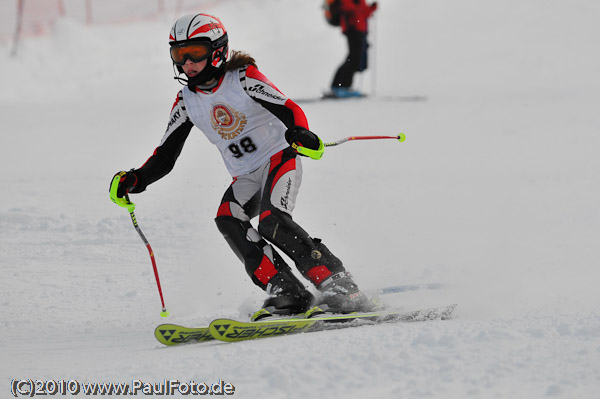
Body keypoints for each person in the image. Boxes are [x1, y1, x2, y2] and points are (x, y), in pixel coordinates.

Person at [109, 13, 373, 318]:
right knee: (228, 219)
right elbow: (165, 156)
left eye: (195, 53)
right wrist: (135, 179)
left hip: (278, 158)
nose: (187, 63)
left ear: (218, 50)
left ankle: (339, 283)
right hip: (245, 175)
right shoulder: (186, 101)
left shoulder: (243, 78)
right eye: (179, 55)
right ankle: (288, 290)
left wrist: (300, 133)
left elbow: (289, 109)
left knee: (272, 221)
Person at [330, 0, 378, 98]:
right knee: (353, 58)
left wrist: (371, 8)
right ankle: (340, 86)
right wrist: (363, 10)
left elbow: (363, 13)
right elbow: (349, 9)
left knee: (355, 58)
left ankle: (342, 86)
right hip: (352, 30)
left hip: (361, 30)